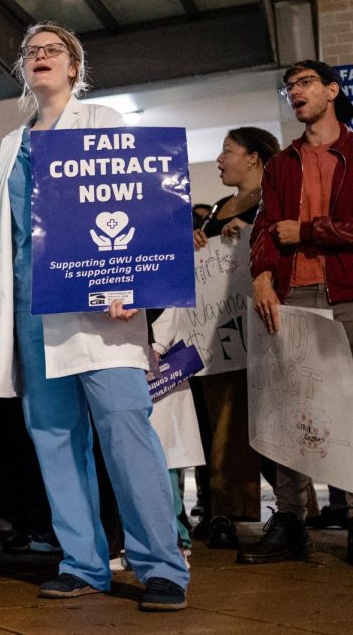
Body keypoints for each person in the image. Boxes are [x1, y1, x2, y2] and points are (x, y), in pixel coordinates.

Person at [0, 22, 190, 612]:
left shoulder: (104, 122)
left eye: (52, 51)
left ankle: (161, 566)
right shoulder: (10, 145)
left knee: (125, 433)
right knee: (55, 440)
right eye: (31, 52)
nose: (40, 58)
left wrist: (136, 282)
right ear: (23, 69)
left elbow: (135, 205)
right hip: (34, 314)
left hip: (102, 312)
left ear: (73, 66)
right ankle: (83, 563)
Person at [244, 60, 353, 563]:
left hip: (348, 295)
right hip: (293, 298)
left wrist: (309, 231)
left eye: (305, 82)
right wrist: (262, 275)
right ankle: (289, 519)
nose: (295, 92)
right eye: (288, 86)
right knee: (289, 412)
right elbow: (265, 227)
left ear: (332, 90)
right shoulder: (280, 164)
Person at [186, 127, 280, 549]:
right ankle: (221, 507)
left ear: (255, 158)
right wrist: (199, 240)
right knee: (219, 421)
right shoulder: (222, 205)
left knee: (260, 421)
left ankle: (290, 508)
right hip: (218, 332)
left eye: (227, 151)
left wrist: (252, 231)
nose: (220, 160)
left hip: (258, 326)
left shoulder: (272, 200)